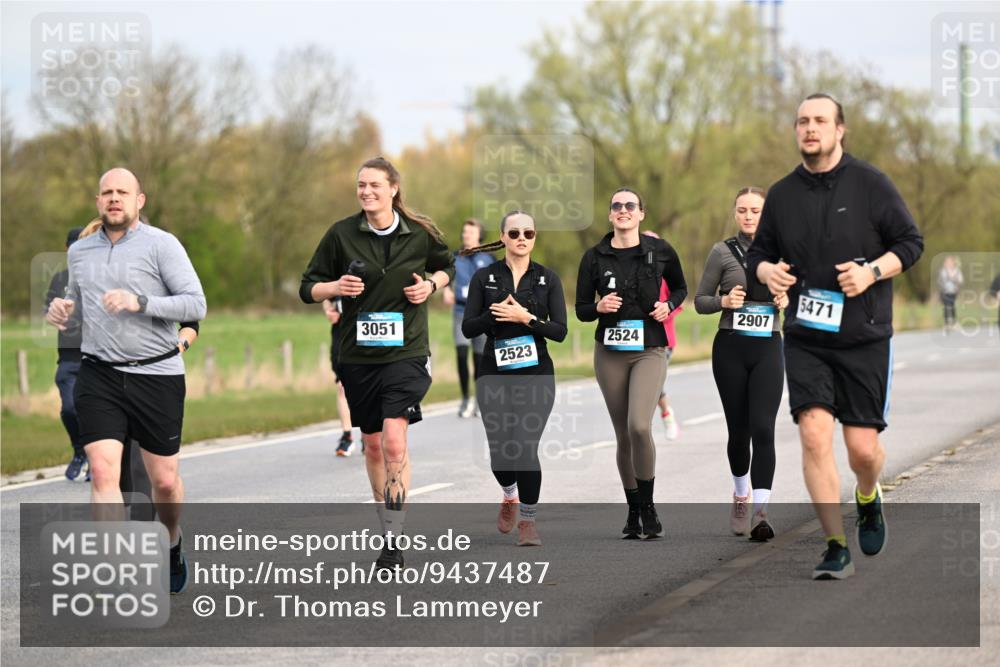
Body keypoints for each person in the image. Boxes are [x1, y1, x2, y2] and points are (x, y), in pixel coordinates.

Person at [747, 94, 924, 579]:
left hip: (864, 336)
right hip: (806, 336)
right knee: (813, 435)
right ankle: (834, 545)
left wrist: (871, 272)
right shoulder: (782, 194)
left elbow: (910, 243)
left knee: (863, 451)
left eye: (820, 120)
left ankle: (868, 496)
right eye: (803, 121)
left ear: (840, 129)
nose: (810, 128)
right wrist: (767, 270)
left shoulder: (871, 185)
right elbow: (757, 254)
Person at [45, 168, 207, 594]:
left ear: (140, 201)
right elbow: (80, 305)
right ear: (98, 201)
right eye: (107, 193)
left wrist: (140, 302)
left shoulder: (162, 245)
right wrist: (64, 312)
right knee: (103, 473)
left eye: (123, 192)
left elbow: (196, 303)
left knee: (165, 482)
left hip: (157, 374)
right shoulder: (81, 252)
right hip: (99, 374)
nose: (114, 198)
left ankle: (171, 543)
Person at [300, 157, 454, 570]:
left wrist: (431, 285)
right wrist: (334, 287)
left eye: (374, 185)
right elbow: (306, 287)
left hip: (406, 353)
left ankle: (394, 538)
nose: (366, 191)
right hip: (357, 356)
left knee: (393, 441)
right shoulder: (340, 235)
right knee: (371, 444)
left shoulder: (419, 235)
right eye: (360, 185)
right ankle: (385, 527)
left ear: (393, 190)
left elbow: (447, 265)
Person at [576, 188, 687, 539]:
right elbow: (580, 309)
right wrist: (597, 307)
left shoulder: (661, 251)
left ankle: (650, 507)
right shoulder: (594, 257)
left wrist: (668, 307)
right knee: (623, 434)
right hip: (609, 353)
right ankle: (633, 509)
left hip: (649, 349)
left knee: (640, 426)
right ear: (610, 215)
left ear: (641, 214)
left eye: (630, 206)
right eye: (616, 206)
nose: (623, 210)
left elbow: (682, 289)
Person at [461, 211, 567, 546]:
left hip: (536, 373)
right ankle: (509, 495)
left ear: (535, 238)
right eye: (515, 232)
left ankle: (529, 522)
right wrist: (496, 314)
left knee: (524, 446)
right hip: (494, 372)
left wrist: (527, 318)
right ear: (503, 237)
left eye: (529, 233)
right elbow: (468, 327)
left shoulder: (548, 279)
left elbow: (560, 331)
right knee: (501, 453)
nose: (522, 238)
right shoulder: (484, 277)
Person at [695, 186, 788, 541]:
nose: (749, 216)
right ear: (735, 214)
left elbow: (798, 298)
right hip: (730, 348)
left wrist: (785, 297)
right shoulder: (722, 252)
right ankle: (740, 494)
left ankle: (761, 513)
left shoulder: (783, 252)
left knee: (763, 428)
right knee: (739, 431)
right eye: (743, 210)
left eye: (756, 211)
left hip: (768, 348)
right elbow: (700, 301)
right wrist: (724, 302)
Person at [45, 226, 87, 481]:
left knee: (94, 411)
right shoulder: (59, 278)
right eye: (72, 245)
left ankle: (97, 459)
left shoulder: (99, 276)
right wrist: (54, 313)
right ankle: (79, 450)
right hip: (69, 356)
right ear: (67, 248)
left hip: (96, 357)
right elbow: (47, 307)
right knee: (69, 409)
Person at [443, 219, 494, 418]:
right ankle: (465, 398)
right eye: (464, 232)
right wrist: (446, 290)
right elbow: (445, 275)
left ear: (479, 235)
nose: (466, 235)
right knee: (462, 354)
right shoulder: (455, 257)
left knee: (479, 358)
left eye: (470, 232)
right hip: (460, 312)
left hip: (482, 315)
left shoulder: (489, 258)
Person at [642, 230, 683, 441]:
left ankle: (666, 416)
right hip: (637, 339)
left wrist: (665, 311)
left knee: (654, 383)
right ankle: (640, 427)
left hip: (664, 339)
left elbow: (678, 303)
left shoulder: (667, 274)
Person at [322, 297, 358, 456]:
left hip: (367, 328)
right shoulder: (336, 272)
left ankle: (370, 434)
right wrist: (328, 310)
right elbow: (324, 293)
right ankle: (347, 436)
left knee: (371, 385)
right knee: (342, 387)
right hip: (342, 334)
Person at [937, 256, 963, 330]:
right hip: (944, 291)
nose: (949, 264)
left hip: (953, 291)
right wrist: (951, 278)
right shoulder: (942, 271)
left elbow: (960, 280)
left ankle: (954, 323)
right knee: (946, 306)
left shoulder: (957, 271)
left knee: (952, 306)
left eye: (950, 262)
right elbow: (941, 280)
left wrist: (955, 281)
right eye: (947, 262)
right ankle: (946, 323)